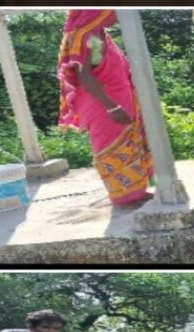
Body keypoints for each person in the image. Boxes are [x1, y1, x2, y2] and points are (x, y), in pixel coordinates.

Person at [57, 10, 154, 206]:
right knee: (112, 148)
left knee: (130, 144)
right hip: (102, 104)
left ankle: (135, 190)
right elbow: (85, 77)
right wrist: (111, 107)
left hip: (119, 98)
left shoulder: (99, 35)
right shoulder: (83, 37)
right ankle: (123, 195)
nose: (117, 15)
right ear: (98, 13)